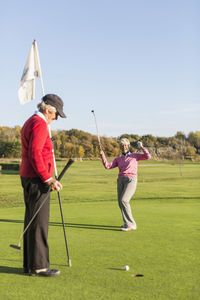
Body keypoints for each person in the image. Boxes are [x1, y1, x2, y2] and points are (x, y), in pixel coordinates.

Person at [20, 94, 66, 277]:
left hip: (29, 177)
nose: (56, 119)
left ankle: (30, 265)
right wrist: (48, 178)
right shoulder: (39, 124)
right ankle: (39, 266)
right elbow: (35, 154)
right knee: (39, 223)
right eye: (56, 115)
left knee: (31, 222)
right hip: (37, 179)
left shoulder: (31, 121)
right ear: (48, 110)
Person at [99, 138, 151, 231]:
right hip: (120, 180)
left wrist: (142, 147)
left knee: (124, 200)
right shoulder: (118, 159)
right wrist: (102, 156)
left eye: (125, 145)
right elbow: (107, 166)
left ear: (128, 146)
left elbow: (148, 157)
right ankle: (126, 223)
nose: (124, 147)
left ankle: (131, 224)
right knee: (120, 202)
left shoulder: (134, 156)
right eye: (121, 146)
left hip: (131, 180)